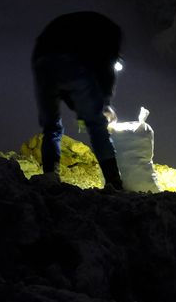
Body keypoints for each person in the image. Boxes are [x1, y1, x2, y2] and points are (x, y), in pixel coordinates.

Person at [31, 11, 124, 190]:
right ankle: (114, 182)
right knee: (96, 126)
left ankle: (50, 176)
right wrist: (104, 104)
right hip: (71, 59)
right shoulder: (112, 33)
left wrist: (79, 109)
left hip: (42, 60)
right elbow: (106, 68)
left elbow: (65, 91)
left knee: (51, 127)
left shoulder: (80, 25)